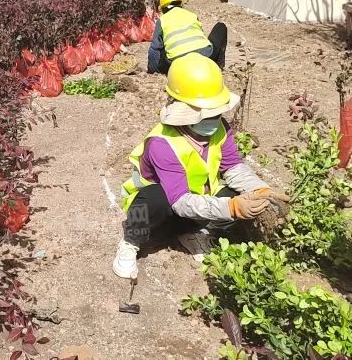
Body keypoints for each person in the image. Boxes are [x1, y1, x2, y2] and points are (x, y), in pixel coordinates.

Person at [113, 53, 287, 279]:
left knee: (238, 194)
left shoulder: (220, 128)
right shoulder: (162, 144)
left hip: (196, 208)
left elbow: (232, 166)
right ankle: (130, 241)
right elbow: (180, 202)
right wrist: (230, 208)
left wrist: (259, 189)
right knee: (154, 196)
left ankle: (194, 233)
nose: (214, 119)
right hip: (161, 212)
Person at [147, 0, 228, 75]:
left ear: (163, 9)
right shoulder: (192, 15)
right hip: (205, 57)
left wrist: (152, 70)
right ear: (180, 4)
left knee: (159, 47)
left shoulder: (162, 21)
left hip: (176, 63)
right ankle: (218, 66)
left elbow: (154, 49)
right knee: (221, 26)